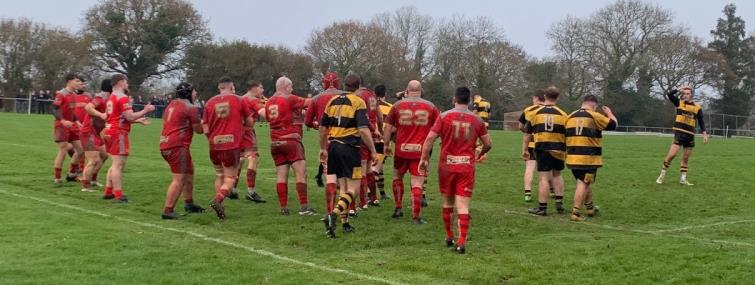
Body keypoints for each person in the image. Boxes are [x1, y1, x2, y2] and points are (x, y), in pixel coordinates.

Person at [419, 86, 492, 254]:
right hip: (466, 166)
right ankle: (461, 242)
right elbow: (488, 144)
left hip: (447, 165)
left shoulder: (444, 116)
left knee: (447, 203)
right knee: (463, 205)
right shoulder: (477, 120)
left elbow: (430, 138)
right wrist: (479, 152)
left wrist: (424, 158)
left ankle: (449, 236)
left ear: (454, 99)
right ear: (470, 101)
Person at [320, 74, 379, 238]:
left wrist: (322, 148)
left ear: (344, 85)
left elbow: (323, 128)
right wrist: (373, 150)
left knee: (343, 188)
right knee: (353, 189)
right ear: (359, 86)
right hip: (349, 148)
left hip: (333, 147)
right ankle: (333, 214)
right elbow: (362, 129)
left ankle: (345, 224)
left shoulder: (331, 101)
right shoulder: (358, 101)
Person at [383, 80, 440, 224]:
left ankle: (398, 208)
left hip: (401, 149)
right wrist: (430, 141)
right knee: (417, 182)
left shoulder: (397, 105)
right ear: (421, 91)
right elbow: (439, 128)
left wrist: (386, 144)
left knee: (397, 177)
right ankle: (416, 216)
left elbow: (388, 127)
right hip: (420, 151)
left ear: (407, 91)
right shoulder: (431, 106)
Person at [204, 77, 255, 220]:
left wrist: (211, 139)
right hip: (231, 145)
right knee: (231, 178)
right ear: (231, 87)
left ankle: (220, 207)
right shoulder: (239, 100)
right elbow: (250, 121)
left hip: (214, 145)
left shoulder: (209, 102)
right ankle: (218, 200)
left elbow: (205, 127)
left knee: (219, 175)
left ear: (219, 88)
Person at [264, 77, 315, 216]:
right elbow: (309, 102)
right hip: (290, 140)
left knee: (281, 175)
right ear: (286, 86)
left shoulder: (268, 102)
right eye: (291, 86)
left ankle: (283, 207)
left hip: (275, 142)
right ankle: (304, 207)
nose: (292, 89)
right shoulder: (289, 98)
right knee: (301, 173)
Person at [102, 75, 155, 203]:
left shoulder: (111, 97)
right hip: (118, 133)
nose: (127, 84)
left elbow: (119, 117)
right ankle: (118, 195)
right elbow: (129, 116)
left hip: (109, 130)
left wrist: (138, 120)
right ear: (121, 83)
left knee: (115, 164)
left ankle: (108, 192)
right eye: (126, 81)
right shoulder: (122, 97)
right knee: (118, 165)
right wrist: (145, 110)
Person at [566, 95, 618, 221]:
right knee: (583, 183)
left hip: (572, 157)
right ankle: (575, 212)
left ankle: (590, 208)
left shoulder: (570, 116)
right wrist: (609, 113)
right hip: (588, 158)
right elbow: (614, 125)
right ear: (594, 105)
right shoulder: (594, 115)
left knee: (584, 182)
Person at [158, 83, 206, 219]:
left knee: (189, 171)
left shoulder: (171, 104)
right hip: (178, 145)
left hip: (165, 143)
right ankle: (168, 210)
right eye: (194, 91)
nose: (195, 94)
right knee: (179, 179)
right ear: (188, 93)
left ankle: (189, 203)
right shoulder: (190, 108)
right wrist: (207, 122)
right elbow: (199, 130)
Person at [304, 72, 344, 214]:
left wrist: (318, 126)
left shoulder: (316, 98)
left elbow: (307, 121)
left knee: (330, 177)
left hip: (328, 142)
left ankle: (330, 211)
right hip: (347, 140)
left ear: (324, 83)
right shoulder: (348, 96)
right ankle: (348, 209)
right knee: (346, 178)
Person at [524, 86, 567, 216]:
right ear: (557, 98)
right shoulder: (564, 114)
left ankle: (542, 207)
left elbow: (527, 134)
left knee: (543, 178)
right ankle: (559, 203)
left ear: (545, 97)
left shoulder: (535, 113)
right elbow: (568, 134)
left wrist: (525, 149)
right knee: (557, 175)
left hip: (542, 148)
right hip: (558, 148)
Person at [656, 86, 709, 186]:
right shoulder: (679, 103)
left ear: (691, 95)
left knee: (685, 159)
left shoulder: (697, 107)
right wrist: (679, 89)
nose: (686, 95)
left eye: (688, 93)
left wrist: (704, 133)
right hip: (679, 133)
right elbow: (669, 95)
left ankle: (683, 179)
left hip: (690, 135)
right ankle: (662, 175)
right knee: (671, 155)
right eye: (684, 93)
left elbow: (701, 121)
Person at [234, 81, 267, 203]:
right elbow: (264, 113)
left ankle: (232, 189)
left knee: (240, 159)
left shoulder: (240, 98)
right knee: (253, 158)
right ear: (254, 88)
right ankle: (251, 192)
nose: (262, 90)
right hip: (247, 132)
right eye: (261, 87)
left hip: (236, 132)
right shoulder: (252, 99)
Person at [51, 73, 85, 184]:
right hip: (61, 126)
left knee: (80, 150)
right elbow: (54, 109)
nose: (79, 83)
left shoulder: (73, 94)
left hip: (72, 125)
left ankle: (71, 174)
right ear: (69, 81)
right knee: (63, 151)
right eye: (77, 81)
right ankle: (57, 178)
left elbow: (71, 111)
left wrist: (77, 121)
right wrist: (63, 121)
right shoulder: (61, 94)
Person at [355, 79, 383, 209]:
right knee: (369, 169)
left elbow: (362, 117)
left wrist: (372, 128)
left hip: (362, 133)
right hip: (372, 134)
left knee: (362, 168)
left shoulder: (358, 95)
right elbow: (380, 116)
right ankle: (374, 198)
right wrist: (379, 130)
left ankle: (363, 202)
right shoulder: (372, 95)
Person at [518, 90, 545, 202]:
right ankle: (552, 191)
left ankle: (527, 193)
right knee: (547, 170)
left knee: (529, 168)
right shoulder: (550, 110)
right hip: (545, 143)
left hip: (531, 143)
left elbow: (520, 126)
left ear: (535, 98)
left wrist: (528, 132)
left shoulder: (528, 110)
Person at [373, 84, 393, 201]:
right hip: (382, 141)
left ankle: (382, 193)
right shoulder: (391, 107)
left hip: (369, 139)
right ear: (385, 94)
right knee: (376, 168)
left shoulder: (369, 106)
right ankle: (369, 194)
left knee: (379, 168)